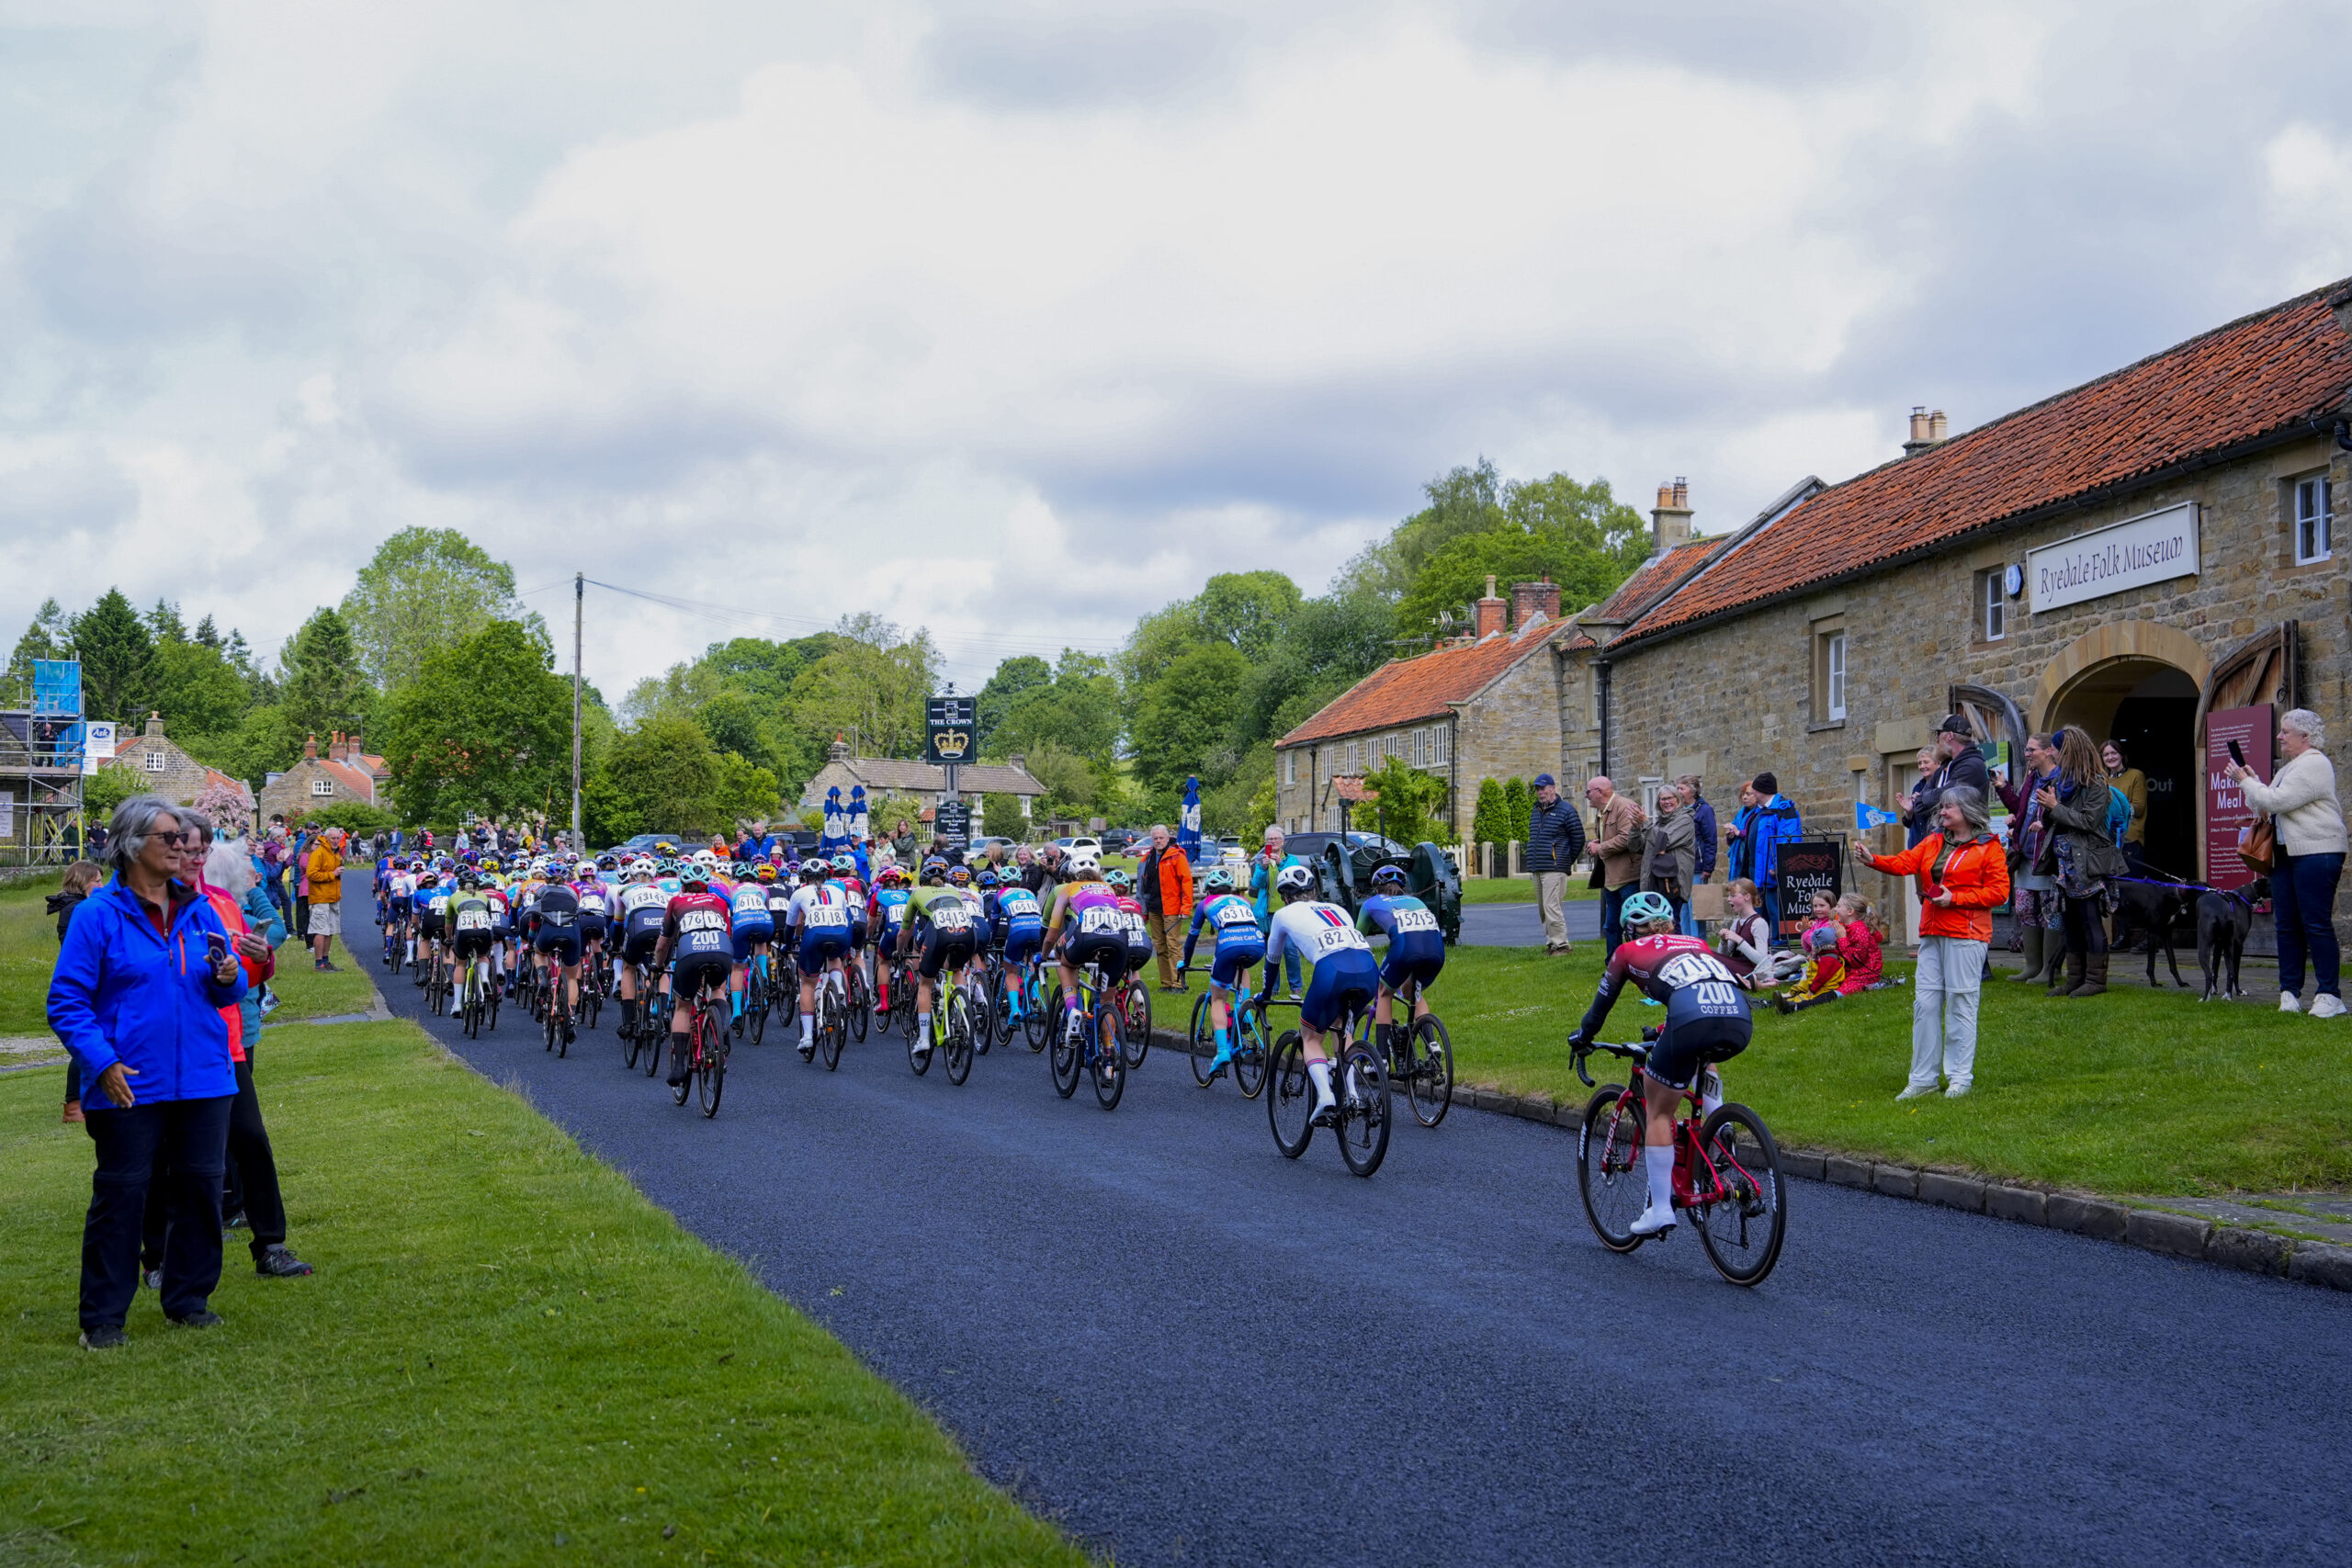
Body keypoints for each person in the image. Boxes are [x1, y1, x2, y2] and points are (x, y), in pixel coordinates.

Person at [48, 795, 247, 1348]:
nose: (183, 846)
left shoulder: (201, 909)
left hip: (205, 1079)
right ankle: (103, 1319)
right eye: (170, 838)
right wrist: (102, 1062)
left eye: (183, 838)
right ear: (134, 846)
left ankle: (188, 1301)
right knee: (123, 1197)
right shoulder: (96, 916)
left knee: (202, 1192)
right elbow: (67, 1002)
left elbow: (225, 988)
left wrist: (228, 975)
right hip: (129, 1082)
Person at [1566, 889, 1751, 1237]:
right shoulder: (1695, 942)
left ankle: (1661, 1208)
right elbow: (1694, 988)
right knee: (1703, 1059)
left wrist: (1584, 1036)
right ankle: (1719, 1124)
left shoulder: (1626, 951)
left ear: (1631, 929)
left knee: (1659, 1108)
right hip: (1737, 1016)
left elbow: (1600, 1007)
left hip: (1692, 1016)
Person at [1853, 786, 2008, 1099]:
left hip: (1967, 934)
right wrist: (1874, 859)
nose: (1943, 812)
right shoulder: (1934, 840)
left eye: (1950, 807)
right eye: (1943, 807)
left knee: (1961, 1004)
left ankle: (1960, 1077)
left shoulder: (1988, 848)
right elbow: (1904, 863)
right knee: (1924, 1005)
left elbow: (1999, 893)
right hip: (1932, 930)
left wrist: (1956, 899)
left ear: (1967, 811)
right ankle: (1922, 1079)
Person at [2226, 707, 2347, 1017]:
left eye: (2285, 732)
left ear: (2305, 737)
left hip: (2316, 852)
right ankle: (2289, 993)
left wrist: (2246, 781)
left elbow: (2277, 801)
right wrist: (2250, 781)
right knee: (2287, 926)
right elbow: (2263, 806)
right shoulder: (2290, 768)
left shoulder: (2315, 764)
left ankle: (2329, 995)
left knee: (2315, 924)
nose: (2279, 737)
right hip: (2286, 854)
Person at [1255, 863, 1382, 1128]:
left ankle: (1325, 1097)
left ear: (1285, 896)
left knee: (1310, 1036)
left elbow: (1272, 961)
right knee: (1342, 1028)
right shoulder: (1337, 909)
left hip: (1332, 970)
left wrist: (1264, 996)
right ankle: (1354, 1096)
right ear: (1314, 890)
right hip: (1369, 968)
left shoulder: (1283, 914)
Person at [2032, 728, 2126, 998]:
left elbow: (2088, 822)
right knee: (2070, 920)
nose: (2053, 754)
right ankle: (2075, 978)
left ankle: (2096, 980)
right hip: (2064, 861)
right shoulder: (2062, 781)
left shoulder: (2096, 783)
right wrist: (2048, 811)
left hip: (2087, 861)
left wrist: (2055, 806)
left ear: (2068, 751)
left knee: (2089, 919)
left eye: (2056, 749)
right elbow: (2058, 820)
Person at [1177, 867, 1265, 1083]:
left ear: (1209, 890)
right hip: (1256, 943)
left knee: (1217, 997)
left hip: (1228, 945)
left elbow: (1191, 939)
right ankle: (1243, 1010)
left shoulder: (1206, 904)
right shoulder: (1244, 901)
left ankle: (1222, 1051)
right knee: (1243, 969)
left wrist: (1184, 963)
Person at [1355, 863, 1445, 1070]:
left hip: (1406, 947)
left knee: (1384, 992)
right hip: (1436, 950)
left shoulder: (1371, 903)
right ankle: (1432, 1043)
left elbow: (1357, 938)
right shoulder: (1416, 900)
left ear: (1376, 888)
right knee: (1412, 991)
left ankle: (1382, 1059)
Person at [1997, 733, 2063, 984]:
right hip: (2024, 855)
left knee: (2050, 912)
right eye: (2026, 749)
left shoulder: (2060, 780)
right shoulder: (2031, 778)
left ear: (2048, 751)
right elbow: (2019, 809)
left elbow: (2062, 815)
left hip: (2048, 857)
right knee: (2025, 909)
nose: (2027, 754)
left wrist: (2043, 822)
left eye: (2031, 750)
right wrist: (2004, 790)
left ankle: (2051, 969)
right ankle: (2032, 966)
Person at [1584, 775, 1646, 961]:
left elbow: (1627, 838)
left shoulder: (1624, 806)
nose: (1586, 796)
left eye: (1589, 792)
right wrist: (1599, 841)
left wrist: (1600, 847)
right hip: (1612, 879)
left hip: (1628, 878)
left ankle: (1640, 963)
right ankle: (1614, 965)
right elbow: (1613, 836)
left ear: (1600, 792)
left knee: (1634, 924)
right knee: (1611, 926)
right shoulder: (1602, 811)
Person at [1725, 772, 1803, 917]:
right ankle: (1762, 939)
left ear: (1761, 791)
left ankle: (1777, 940)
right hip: (1757, 869)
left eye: (1754, 790)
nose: (1751, 793)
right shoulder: (1761, 810)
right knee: (1760, 911)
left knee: (1775, 910)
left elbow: (1788, 840)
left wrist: (1778, 864)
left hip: (1771, 870)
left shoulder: (1783, 809)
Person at [1526, 773, 1586, 956]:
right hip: (1538, 867)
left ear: (1553, 788)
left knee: (1552, 907)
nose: (1540, 792)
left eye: (1543, 788)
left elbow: (1578, 839)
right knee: (1543, 909)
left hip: (1554, 868)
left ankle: (1562, 945)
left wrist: (1563, 860)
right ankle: (1552, 943)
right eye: (1537, 789)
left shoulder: (1566, 810)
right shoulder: (1536, 811)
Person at [1134, 823, 1193, 993]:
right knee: (1160, 946)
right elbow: (1142, 887)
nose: (1158, 841)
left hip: (1172, 908)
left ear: (1168, 839)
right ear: (1152, 840)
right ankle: (1166, 983)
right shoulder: (1148, 858)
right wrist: (1143, 911)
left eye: (1161, 838)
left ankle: (1178, 983)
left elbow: (1186, 882)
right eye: (1156, 838)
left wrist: (1186, 908)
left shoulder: (1177, 856)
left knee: (1173, 944)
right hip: (1154, 908)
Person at [1248, 827, 1307, 997]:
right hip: (1267, 915)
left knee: (1289, 950)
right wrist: (1264, 868)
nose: (1273, 842)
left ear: (1283, 842)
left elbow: (1295, 878)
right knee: (1271, 952)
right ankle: (1273, 988)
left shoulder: (1291, 860)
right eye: (1269, 840)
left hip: (1287, 912)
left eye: (1276, 839)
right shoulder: (1262, 862)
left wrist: (1280, 864)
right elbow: (1257, 884)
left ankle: (1296, 987)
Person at [1715, 877, 1799, 990]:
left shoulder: (1758, 923)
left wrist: (1739, 940)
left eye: (1733, 896)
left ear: (1747, 896)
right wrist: (1723, 941)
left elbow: (1761, 959)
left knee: (1710, 957)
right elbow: (1725, 955)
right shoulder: (1736, 923)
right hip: (1737, 965)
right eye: (1729, 896)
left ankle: (1753, 982)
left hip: (1751, 970)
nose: (1729, 899)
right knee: (1709, 957)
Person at [1640, 784, 1696, 929]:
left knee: (1670, 924)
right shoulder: (1659, 822)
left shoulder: (1685, 820)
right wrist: (1635, 828)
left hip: (1672, 883)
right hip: (1657, 881)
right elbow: (1638, 847)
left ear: (1677, 799)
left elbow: (1663, 842)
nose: (1666, 802)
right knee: (1657, 927)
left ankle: (1677, 951)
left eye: (1670, 798)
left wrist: (1645, 824)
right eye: (1662, 799)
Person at [1675, 774, 1717, 938]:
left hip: (1698, 867)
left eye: (1682, 788)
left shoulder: (1704, 810)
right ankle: (1686, 942)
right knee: (1683, 909)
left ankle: (1699, 944)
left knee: (1697, 909)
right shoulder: (1678, 811)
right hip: (1680, 868)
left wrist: (1708, 866)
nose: (1679, 792)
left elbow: (1710, 839)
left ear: (1692, 791)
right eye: (1677, 788)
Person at [2103, 740, 2149, 873]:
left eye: (2114, 753)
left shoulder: (2136, 775)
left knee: (2131, 888)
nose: (2110, 757)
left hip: (2129, 841)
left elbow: (2138, 809)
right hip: (2106, 842)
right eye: (2106, 755)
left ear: (2122, 755)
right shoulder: (2102, 780)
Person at [305, 827, 345, 970]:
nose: (335, 841)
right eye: (333, 838)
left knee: (330, 930)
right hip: (320, 897)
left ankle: (326, 961)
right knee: (321, 930)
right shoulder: (319, 853)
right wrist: (332, 874)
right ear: (326, 838)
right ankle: (318, 964)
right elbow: (311, 874)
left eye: (337, 838)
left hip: (333, 897)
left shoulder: (335, 853)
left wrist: (337, 873)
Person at [1900, 748, 1940, 848]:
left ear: (1938, 763)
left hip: (1935, 846)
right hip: (1916, 846)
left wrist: (1925, 802)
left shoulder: (1943, 786)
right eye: (1919, 763)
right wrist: (1909, 813)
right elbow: (1911, 823)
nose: (1922, 766)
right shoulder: (1918, 787)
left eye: (1926, 762)